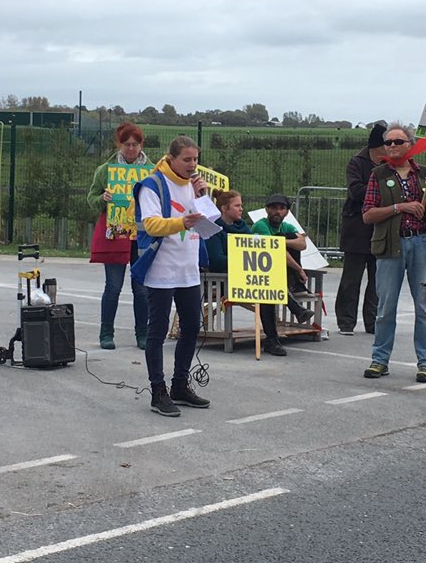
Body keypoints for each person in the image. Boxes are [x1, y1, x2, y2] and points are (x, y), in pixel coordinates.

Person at [361, 123, 426, 383]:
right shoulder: (378, 174)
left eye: (399, 142)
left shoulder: (424, 173)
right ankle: (379, 360)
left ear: (410, 145)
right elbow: (368, 215)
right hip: (390, 246)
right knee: (385, 307)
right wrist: (400, 207)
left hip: (421, 244)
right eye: (389, 143)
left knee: (425, 306)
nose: (393, 146)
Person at [133, 135, 211, 416]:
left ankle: (180, 385)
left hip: (188, 269)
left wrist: (203, 197)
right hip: (162, 269)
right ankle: (158, 391)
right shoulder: (153, 185)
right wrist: (182, 221)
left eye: (196, 159)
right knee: (157, 330)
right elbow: (151, 224)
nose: (193, 165)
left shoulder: (195, 186)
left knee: (191, 327)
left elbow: (208, 223)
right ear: (172, 158)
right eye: (187, 159)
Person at [88, 122, 152, 349]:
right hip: (116, 233)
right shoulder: (106, 169)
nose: (131, 149)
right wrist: (102, 199)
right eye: (127, 145)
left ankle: (142, 334)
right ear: (120, 145)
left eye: (135, 144)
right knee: (113, 286)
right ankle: (106, 333)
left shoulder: (151, 170)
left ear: (141, 145)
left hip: (142, 234)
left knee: (142, 288)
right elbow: (91, 198)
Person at [206, 190, 288, 356]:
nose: (241, 209)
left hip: (246, 275)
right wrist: (241, 260)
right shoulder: (214, 228)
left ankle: (272, 340)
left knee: (266, 286)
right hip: (224, 279)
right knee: (264, 288)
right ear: (224, 208)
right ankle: (284, 324)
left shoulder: (242, 226)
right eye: (237, 206)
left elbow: (254, 250)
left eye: (241, 205)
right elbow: (216, 259)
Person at [334, 123, 386, 335]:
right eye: (387, 143)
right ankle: (346, 321)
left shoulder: (389, 165)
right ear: (377, 145)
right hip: (356, 228)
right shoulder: (357, 162)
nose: (391, 147)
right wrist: (379, 191)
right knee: (351, 279)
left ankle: (372, 322)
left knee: (378, 280)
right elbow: (355, 191)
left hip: (380, 229)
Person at [251, 193, 316, 342]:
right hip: (260, 275)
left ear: (287, 212)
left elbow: (302, 244)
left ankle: (294, 291)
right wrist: (299, 269)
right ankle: (296, 308)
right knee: (282, 246)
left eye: (282, 208)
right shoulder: (261, 225)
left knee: (288, 238)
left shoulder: (286, 226)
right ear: (266, 210)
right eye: (273, 208)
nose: (278, 211)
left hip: (277, 274)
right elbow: (275, 251)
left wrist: (281, 241)